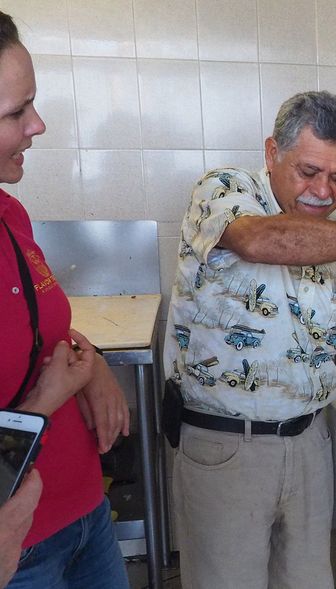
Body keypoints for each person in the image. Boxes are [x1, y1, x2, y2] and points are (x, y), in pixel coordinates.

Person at [165, 90, 336, 588]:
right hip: (227, 447)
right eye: (308, 172)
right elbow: (260, 241)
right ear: (273, 153)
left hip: (310, 444)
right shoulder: (225, 192)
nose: (324, 191)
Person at [0, 11, 130, 589]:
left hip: (81, 511)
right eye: (16, 113)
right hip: (17, 545)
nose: (39, 125)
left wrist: (91, 360)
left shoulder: (10, 215)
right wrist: (48, 399)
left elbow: (37, 332)